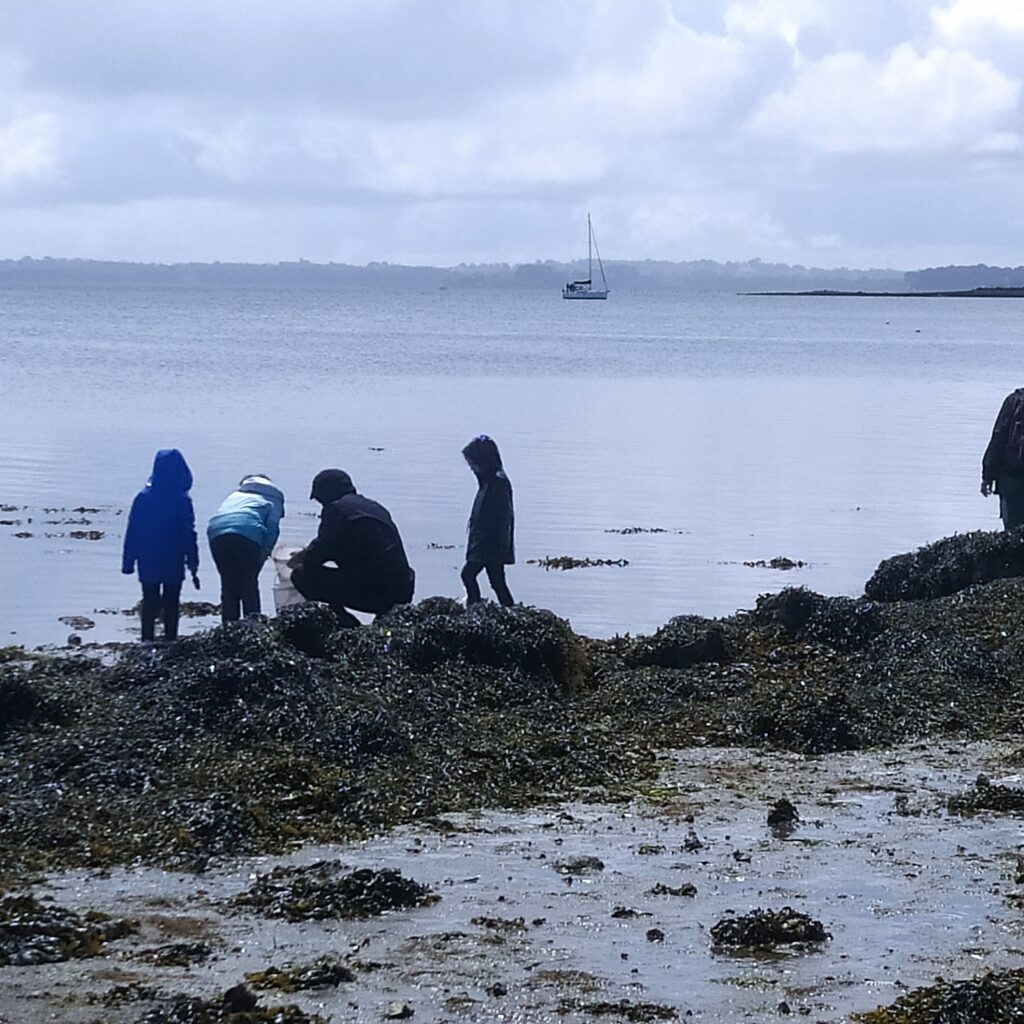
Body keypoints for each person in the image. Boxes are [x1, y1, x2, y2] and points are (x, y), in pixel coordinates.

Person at [289, 469, 414, 627]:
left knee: (302, 574)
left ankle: (349, 628)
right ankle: (371, 626)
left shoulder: (336, 511)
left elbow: (318, 554)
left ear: (326, 495)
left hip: (376, 591)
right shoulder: (374, 507)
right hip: (403, 587)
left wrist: (301, 558)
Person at [121, 448, 199, 641]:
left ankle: (147, 640)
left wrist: (128, 562)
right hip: (172, 557)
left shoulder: (143, 497)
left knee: (149, 600)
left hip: (147, 558)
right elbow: (188, 533)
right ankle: (170, 639)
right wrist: (193, 561)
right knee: (171, 602)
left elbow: (133, 531)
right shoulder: (182, 499)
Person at [207, 475, 285, 624]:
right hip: (248, 534)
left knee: (228, 583)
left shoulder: (235, 495)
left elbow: (223, 516)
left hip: (216, 533)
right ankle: (254, 627)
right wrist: (261, 558)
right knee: (249, 583)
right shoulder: (274, 499)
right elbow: (273, 531)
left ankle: (229, 627)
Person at [460, 434, 515, 606]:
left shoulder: (497, 482)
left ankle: (474, 607)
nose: (470, 467)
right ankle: (509, 611)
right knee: (497, 582)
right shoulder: (488, 480)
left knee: (468, 575)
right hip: (488, 543)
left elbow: (501, 518)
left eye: (472, 462)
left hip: (490, 544)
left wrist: (492, 545)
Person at [982, 388, 1024, 529]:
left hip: (1011, 478)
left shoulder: (1013, 401)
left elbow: (998, 438)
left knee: (1012, 533)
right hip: (1011, 476)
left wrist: (987, 477)